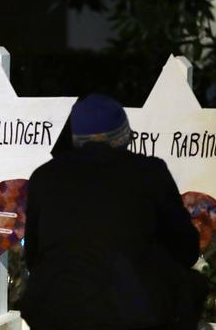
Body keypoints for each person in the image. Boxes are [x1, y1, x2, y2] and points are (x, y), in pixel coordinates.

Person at [20, 94, 205, 330]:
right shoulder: (149, 173)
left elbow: (33, 254)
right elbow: (185, 249)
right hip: (132, 312)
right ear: (123, 135)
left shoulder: (44, 176)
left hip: (53, 311)